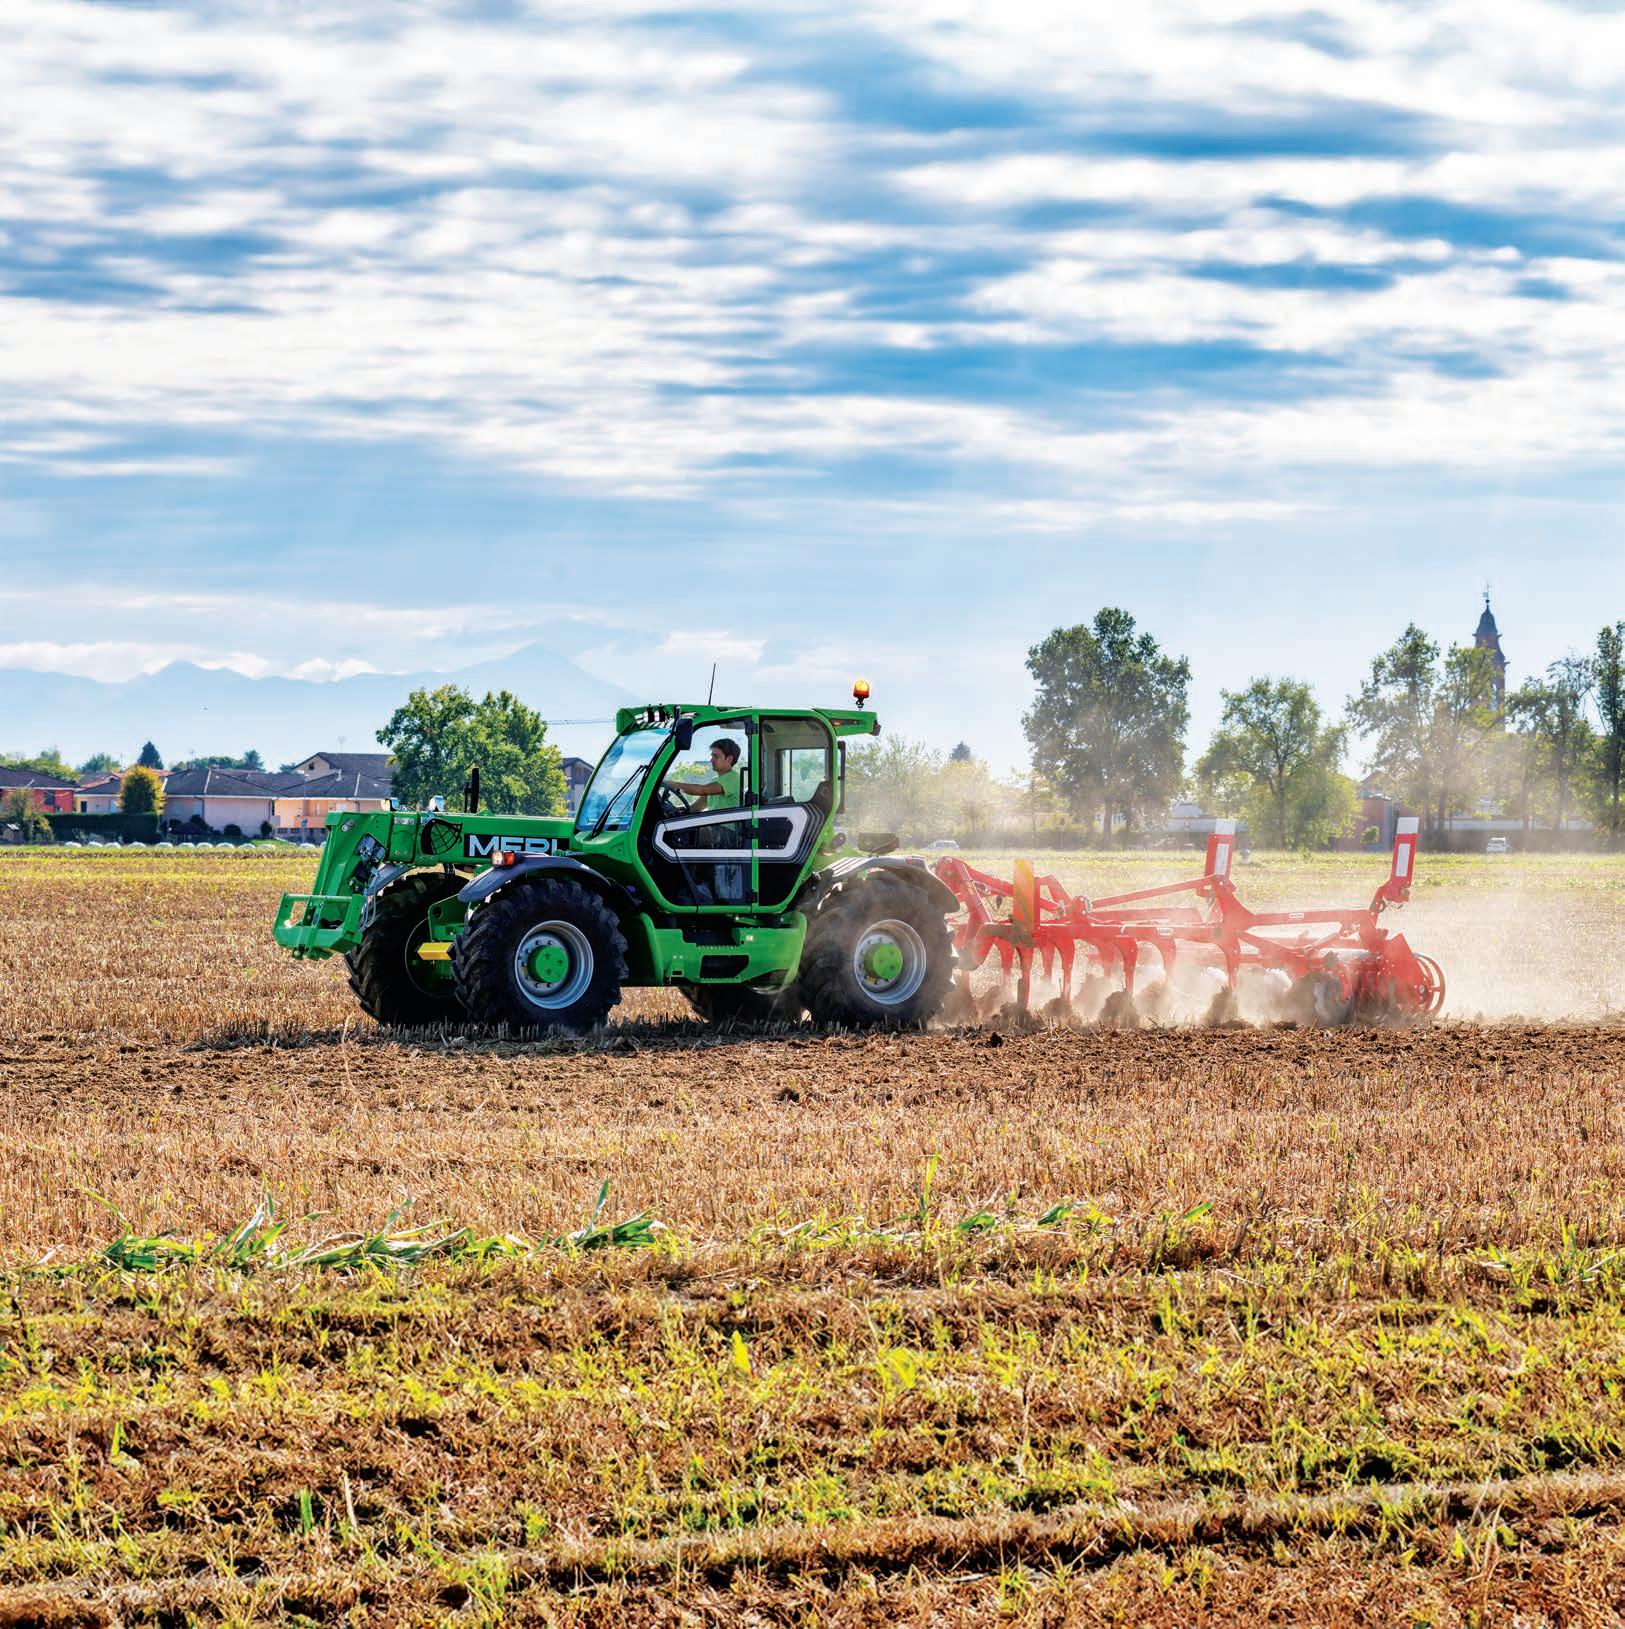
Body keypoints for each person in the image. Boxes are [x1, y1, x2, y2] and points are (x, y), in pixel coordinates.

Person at [674, 738, 743, 811]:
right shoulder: (715, 780)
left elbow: (702, 790)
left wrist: (673, 784)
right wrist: (678, 810)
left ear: (729, 759)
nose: (711, 760)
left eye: (716, 756)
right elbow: (698, 806)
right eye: (712, 756)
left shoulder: (733, 778)